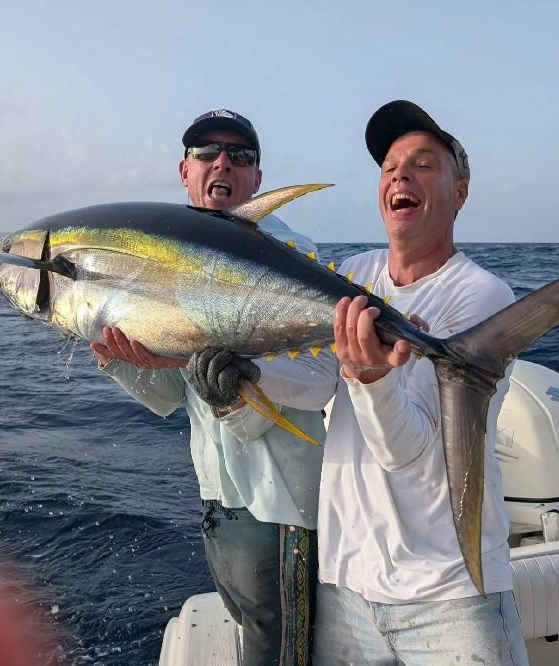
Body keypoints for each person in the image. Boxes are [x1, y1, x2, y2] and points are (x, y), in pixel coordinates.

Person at [90, 109, 337, 666]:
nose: (222, 162)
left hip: (282, 503)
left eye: (239, 155)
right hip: (216, 498)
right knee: (249, 626)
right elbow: (171, 396)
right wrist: (119, 359)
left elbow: (320, 381)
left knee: (281, 649)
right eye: (206, 152)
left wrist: (239, 384)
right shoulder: (166, 263)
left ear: (257, 178)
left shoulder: (292, 254)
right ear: (185, 171)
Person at [307, 100, 529, 665]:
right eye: (389, 167)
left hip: (450, 593)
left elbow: (408, 450)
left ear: (461, 193)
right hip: (346, 587)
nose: (400, 174)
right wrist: (216, 370)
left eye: (424, 164)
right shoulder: (352, 275)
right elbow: (307, 386)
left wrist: (372, 379)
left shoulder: (482, 297)